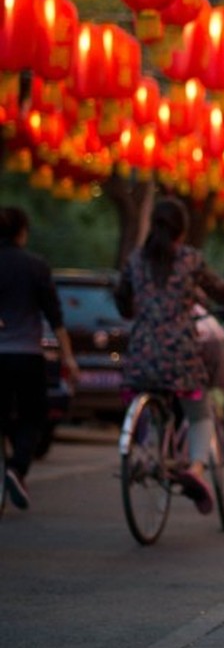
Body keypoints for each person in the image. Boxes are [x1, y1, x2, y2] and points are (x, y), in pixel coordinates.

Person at [115, 199, 224, 515]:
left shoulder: (136, 259)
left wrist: (135, 310)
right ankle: (196, 470)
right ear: (182, 229)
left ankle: (140, 452)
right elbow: (220, 290)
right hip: (180, 356)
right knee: (200, 412)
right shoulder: (190, 259)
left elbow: (122, 299)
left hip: (141, 355)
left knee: (146, 394)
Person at [0, 207, 80, 510]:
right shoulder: (35, 267)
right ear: (22, 232)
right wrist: (68, 359)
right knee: (34, 416)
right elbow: (55, 317)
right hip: (26, 354)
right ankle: (17, 468)